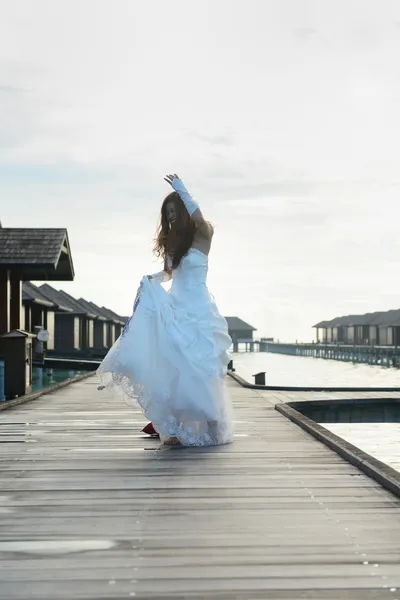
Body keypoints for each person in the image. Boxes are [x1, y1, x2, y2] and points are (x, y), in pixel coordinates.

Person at [97, 174, 233, 446]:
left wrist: (181, 190)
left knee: (202, 367)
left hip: (200, 309)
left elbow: (198, 217)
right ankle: (176, 428)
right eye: (167, 214)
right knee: (177, 366)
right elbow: (169, 274)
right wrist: (152, 279)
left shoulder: (204, 234)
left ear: (183, 211)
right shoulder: (173, 243)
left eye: (174, 212)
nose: (171, 218)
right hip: (176, 307)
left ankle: (213, 422)